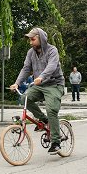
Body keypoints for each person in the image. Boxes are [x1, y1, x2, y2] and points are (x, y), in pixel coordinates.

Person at [10, 27, 65, 155]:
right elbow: (26, 68)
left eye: (33, 39)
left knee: (51, 109)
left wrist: (41, 76)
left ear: (41, 38)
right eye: (29, 40)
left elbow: (52, 66)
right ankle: (43, 120)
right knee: (24, 98)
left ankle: (56, 142)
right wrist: (17, 83)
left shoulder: (52, 50)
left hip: (54, 84)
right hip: (39, 85)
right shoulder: (31, 52)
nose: (30, 42)